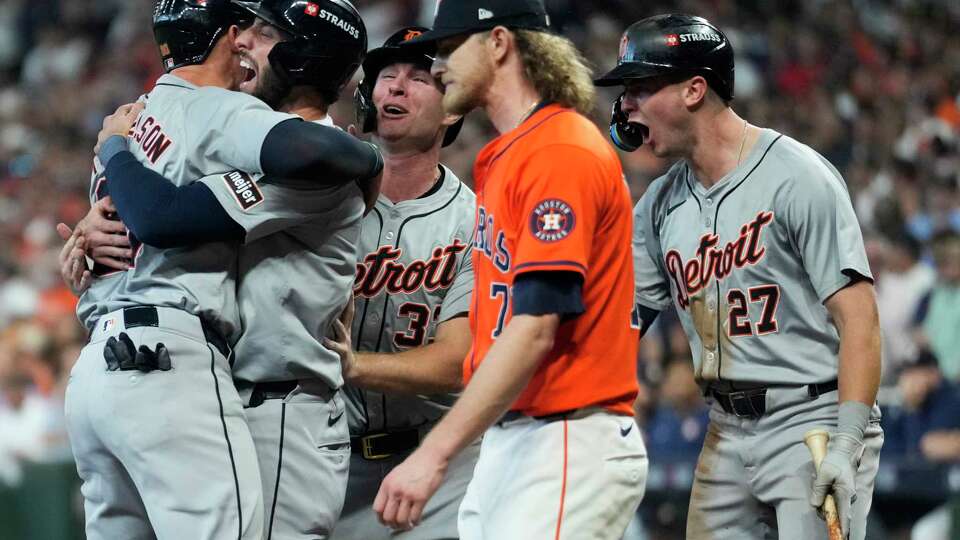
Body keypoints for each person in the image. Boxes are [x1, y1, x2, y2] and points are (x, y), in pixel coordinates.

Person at [59, 1, 381, 538]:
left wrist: (115, 152)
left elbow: (165, 214)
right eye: (245, 30)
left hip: (279, 405)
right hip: (188, 377)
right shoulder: (227, 125)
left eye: (265, 33)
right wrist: (95, 223)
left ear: (301, 58)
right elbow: (160, 210)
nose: (246, 43)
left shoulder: (313, 163)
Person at [596, 13, 884, 540]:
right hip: (723, 430)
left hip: (810, 417)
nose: (626, 106)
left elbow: (860, 321)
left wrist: (846, 446)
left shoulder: (798, 176)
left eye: (639, 87)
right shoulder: (659, 203)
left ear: (693, 90)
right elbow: (620, 324)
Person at [373, 1, 648, 537]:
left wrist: (434, 453)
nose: (437, 67)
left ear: (498, 43)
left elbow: (535, 327)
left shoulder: (559, 150)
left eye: (450, 49)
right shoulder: (504, 156)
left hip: (568, 435)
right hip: (514, 437)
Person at [320, 26, 476, 540]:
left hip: (437, 461)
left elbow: (457, 361)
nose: (396, 87)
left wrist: (355, 366)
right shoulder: (319, 194)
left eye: (418, 78)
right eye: (386, 76)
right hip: (327, 455)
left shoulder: (474, 220)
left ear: (452, 108)